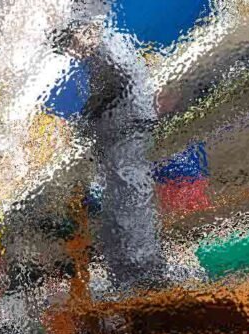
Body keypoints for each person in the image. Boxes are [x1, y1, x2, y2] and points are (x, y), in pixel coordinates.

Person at [54, 10, 166, 291]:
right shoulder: (98, 54)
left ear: (85, 31)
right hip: (119, 129)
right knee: (119, 203)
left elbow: (115, 86)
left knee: (129, 201)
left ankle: (144, 276)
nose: (72, 51)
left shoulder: (108, 48)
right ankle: (127, 277)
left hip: (127, 127)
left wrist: (82, 120)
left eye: (70, 42)